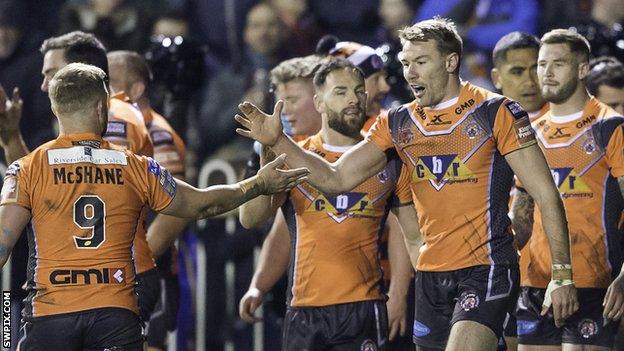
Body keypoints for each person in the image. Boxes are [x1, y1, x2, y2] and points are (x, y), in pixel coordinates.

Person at [235, 18, 579, 351]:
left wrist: (562, 274)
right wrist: (279, 141)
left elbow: (546, 195)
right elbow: (335, 178)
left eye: (420, 61)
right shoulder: (397, 122)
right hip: (430, 277)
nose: (410, 72)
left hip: (486, 268)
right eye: (405, 62)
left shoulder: (496, 112)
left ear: (451, 61)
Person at [0, 62, 309, 350]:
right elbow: (202, 205)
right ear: (101, 106)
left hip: (49, 314)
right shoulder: (136, 167)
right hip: (115, 314)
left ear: (55, 108)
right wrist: (259, 184)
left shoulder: (26, 169)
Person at [239, 58, 416, 350]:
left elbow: (406, 232)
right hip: (304, 309)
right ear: (319, 102)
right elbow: (252, 218)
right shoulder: (294, 156)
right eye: (341, 91)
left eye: (359, 91)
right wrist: (266, 163)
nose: (353, 99)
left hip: (363, 307)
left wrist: (399, 292)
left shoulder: (385, 159)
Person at [511, 29, 624, 350]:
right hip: (534, 282)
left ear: (583, 69)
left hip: (592, 280)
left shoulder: (609, 127)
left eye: (558, 64)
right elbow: (522, 215)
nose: (546, 72)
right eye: (542, 64)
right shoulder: (530, 132)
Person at [107, 50, 187, 351]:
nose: (105, 92)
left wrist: (135, 263)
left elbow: (174, 210)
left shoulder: (157, 133)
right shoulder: (114, 128)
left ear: (137, 88)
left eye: (112, 82)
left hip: (151, 273)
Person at [489, 31, 548, 351]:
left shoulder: (568, 126)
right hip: (503, 271)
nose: (531, 80)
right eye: (517, 71)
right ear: (497, 77)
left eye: (536, 68)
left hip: (556, 273)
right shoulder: (482, 129)